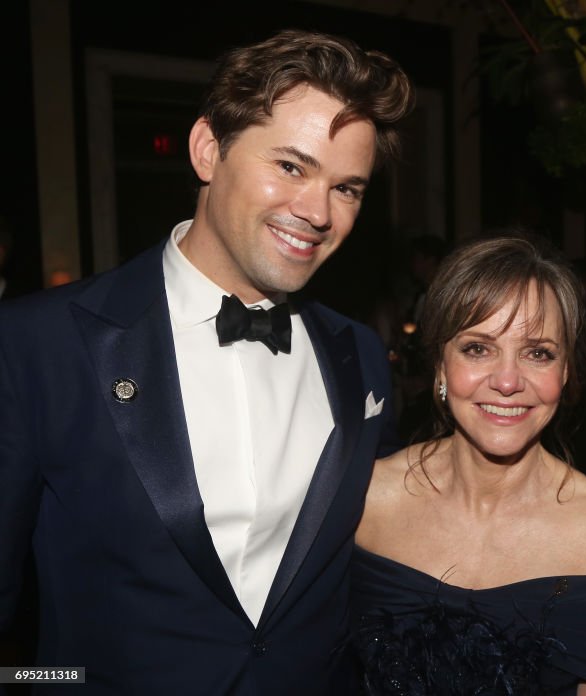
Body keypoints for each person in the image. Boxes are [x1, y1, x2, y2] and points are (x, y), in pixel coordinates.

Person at [0, 30, 412, 693]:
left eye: (348, 189)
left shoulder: (359, 355)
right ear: (207, 150)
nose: (316, 211)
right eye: (291, 166)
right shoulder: (37, 345)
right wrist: (50, 685)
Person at [352, 236, 586, 695]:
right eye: (478, 348)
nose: (508, 381)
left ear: (565, 371)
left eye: (538, 353)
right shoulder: (366, 499)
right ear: (441, 366)